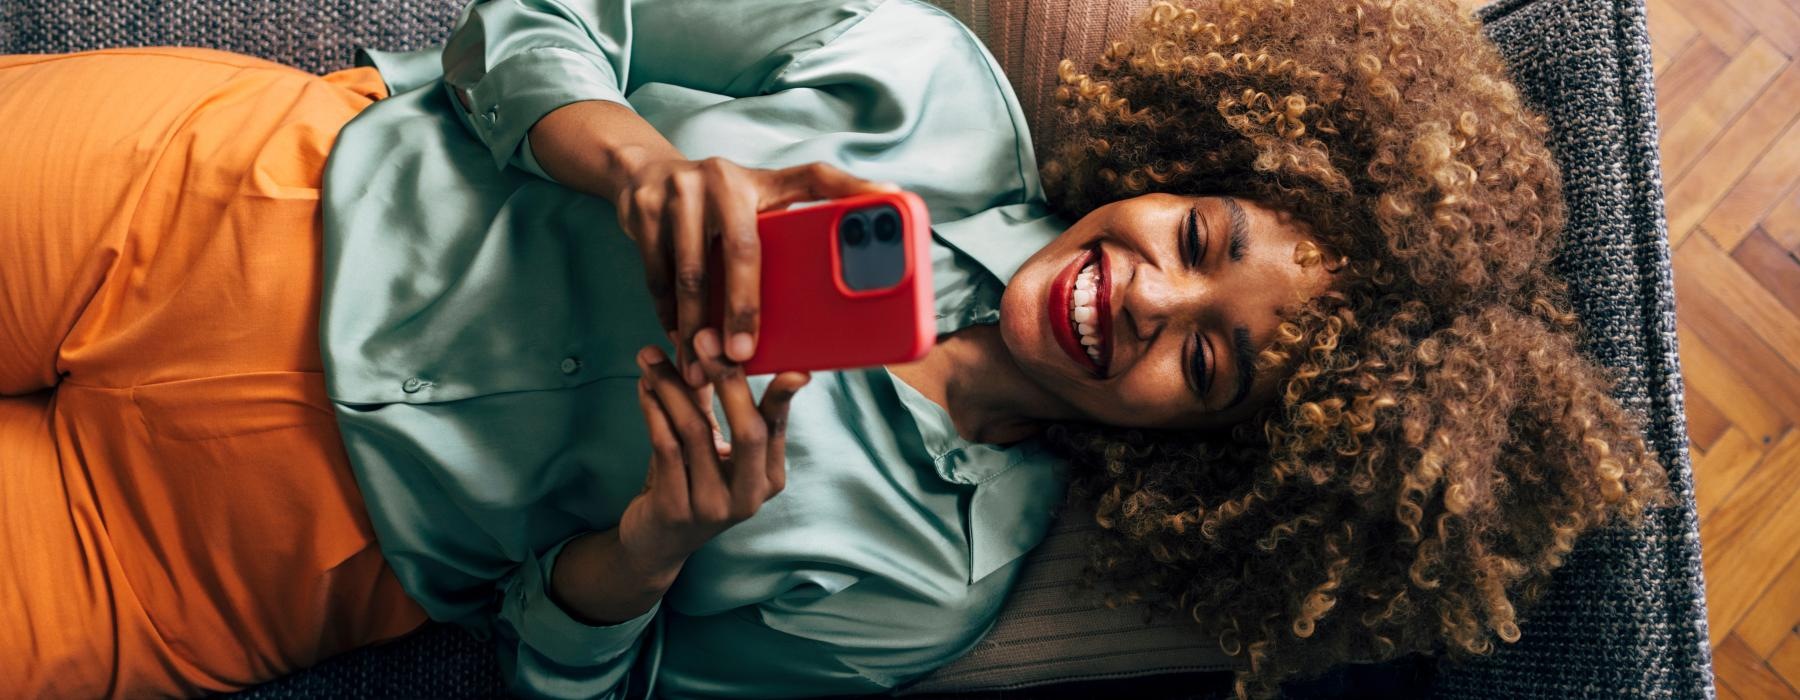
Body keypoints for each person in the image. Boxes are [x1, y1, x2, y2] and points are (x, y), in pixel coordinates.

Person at [0, 0, 1668, 698]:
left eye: (1210, 366)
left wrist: (653, 546)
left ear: (1212, 462)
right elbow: (542, 18)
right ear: (1194, 169)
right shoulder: (918, 76)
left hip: (206, 560)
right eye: (1205, 236)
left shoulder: (928, 586)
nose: (1153, 297)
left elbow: (570, 688)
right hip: (216, 192)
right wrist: (630, 163)